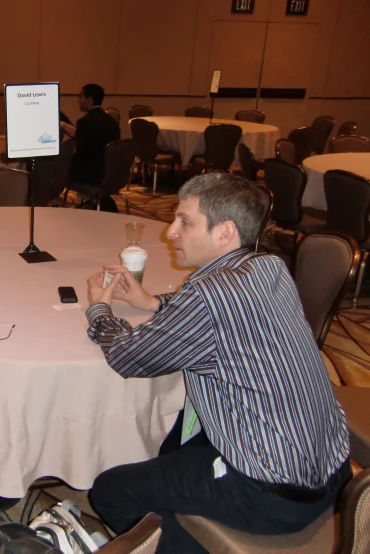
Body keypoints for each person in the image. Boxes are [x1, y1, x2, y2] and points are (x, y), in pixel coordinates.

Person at [84, 173, 350, 553]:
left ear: (224, 232)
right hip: (333, 472)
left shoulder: (207, 296)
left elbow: (129, 356)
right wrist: (153, 302)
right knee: (177, 445)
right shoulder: (268, 267)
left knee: (110, 490)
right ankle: (183, 516)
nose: (170, 232)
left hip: (272, 495)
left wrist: (98, 308)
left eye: (185, 223)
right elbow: (219, 312)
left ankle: (175, 541)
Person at [67, 84, 120, 192]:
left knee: (56, 169)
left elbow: (80, 155)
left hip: (91, 176)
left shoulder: (84, 122)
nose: (79, 100)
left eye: (81, 97)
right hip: (111, 174)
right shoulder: (112, 121)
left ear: (89, 100)